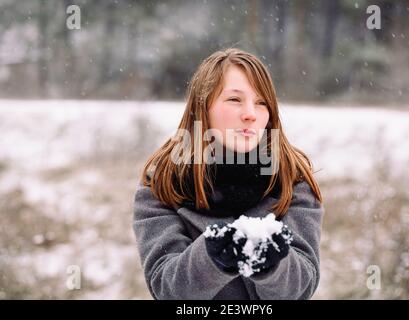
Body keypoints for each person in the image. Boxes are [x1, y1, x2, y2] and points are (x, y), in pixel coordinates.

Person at [133, 48, 324, 300]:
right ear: (203, 107)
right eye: (234, 100)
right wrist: (212, 257)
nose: (250, 114)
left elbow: (302, 288)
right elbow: (168, 290)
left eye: (261, 102)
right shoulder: (163, 184)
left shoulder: (293, 180)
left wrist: (274, 266)